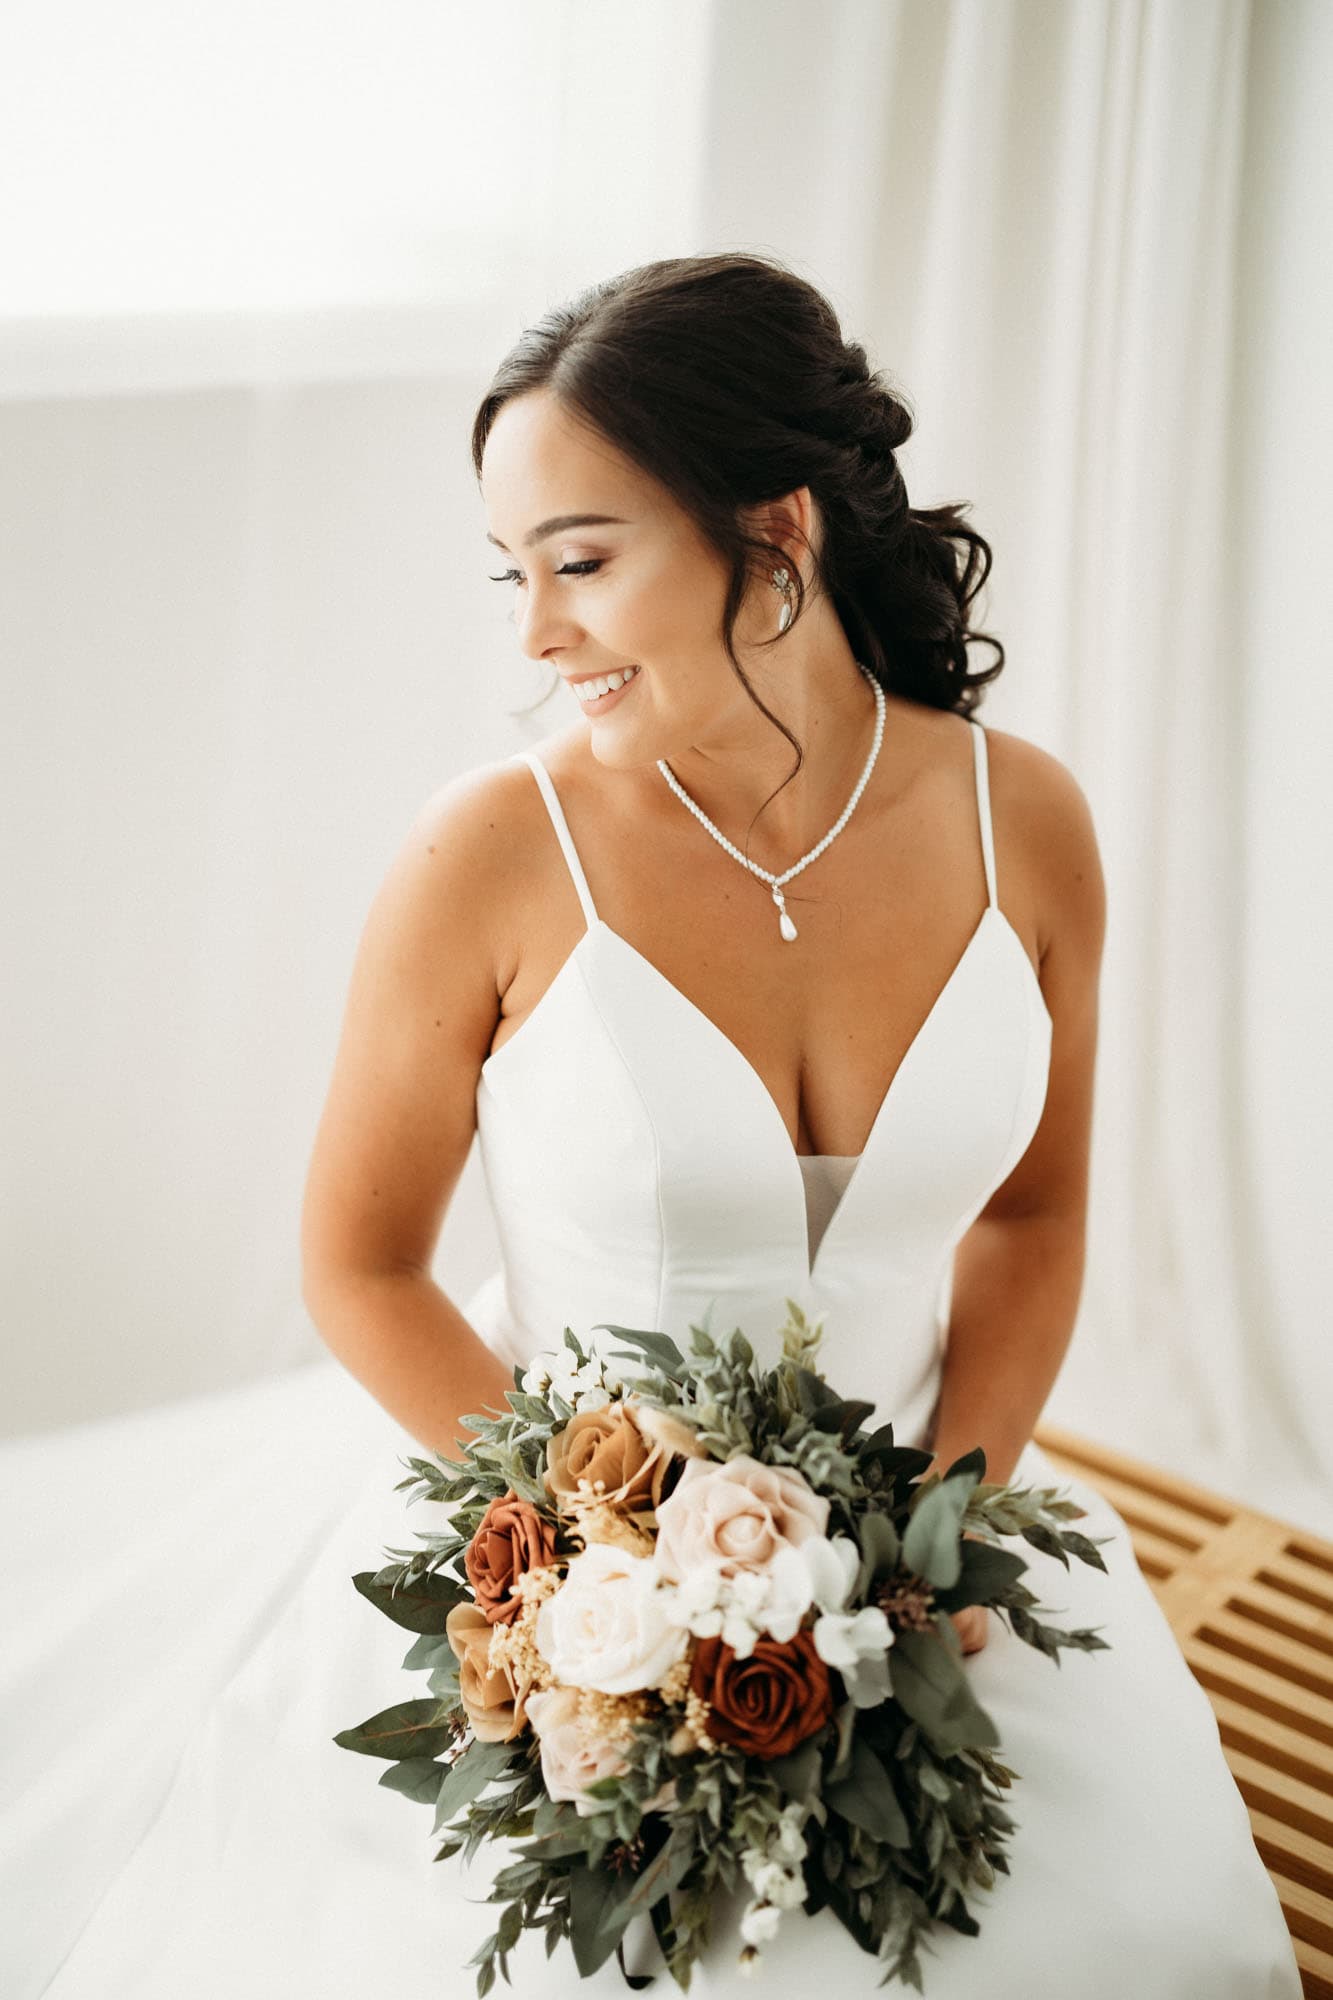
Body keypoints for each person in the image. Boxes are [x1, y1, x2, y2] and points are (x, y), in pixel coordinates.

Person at [43, 253, 1301, 1997]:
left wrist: (943, 1532)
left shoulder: (1032, 827)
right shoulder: (488, 853)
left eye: (579, 562)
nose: (534, 631)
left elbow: (1029, 1221)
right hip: (558, 1566)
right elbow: (358, 1262)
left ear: (771, 533)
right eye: (513, 573)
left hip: (924, 1536)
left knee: (1121, 1944)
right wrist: (592, 1569)